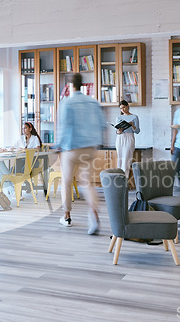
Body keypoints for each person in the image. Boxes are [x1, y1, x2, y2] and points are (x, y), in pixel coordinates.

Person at [57, 73, 106, 234]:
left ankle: (67, 216)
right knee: (87, 183)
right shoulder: (93, 102)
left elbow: (64, 127)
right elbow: (102, 125)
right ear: (83, 85)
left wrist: (58, 146)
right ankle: (93, 215)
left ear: (71, 85)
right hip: (90, 147)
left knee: (66, 182)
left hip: (71, 148)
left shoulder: (67, 103)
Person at [115, 100, 140, 178]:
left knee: (126, 159)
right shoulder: (119, 117)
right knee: (120, 159)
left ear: (128, 106)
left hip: (129, 137)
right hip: (120, 138)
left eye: (124, 107)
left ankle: (125, 179)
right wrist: (119, 131)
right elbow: (117, 132)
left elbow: (137, 131)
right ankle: (119, 179)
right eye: (121, 108)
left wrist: (132, 125)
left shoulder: (134, 117)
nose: (122, 109)